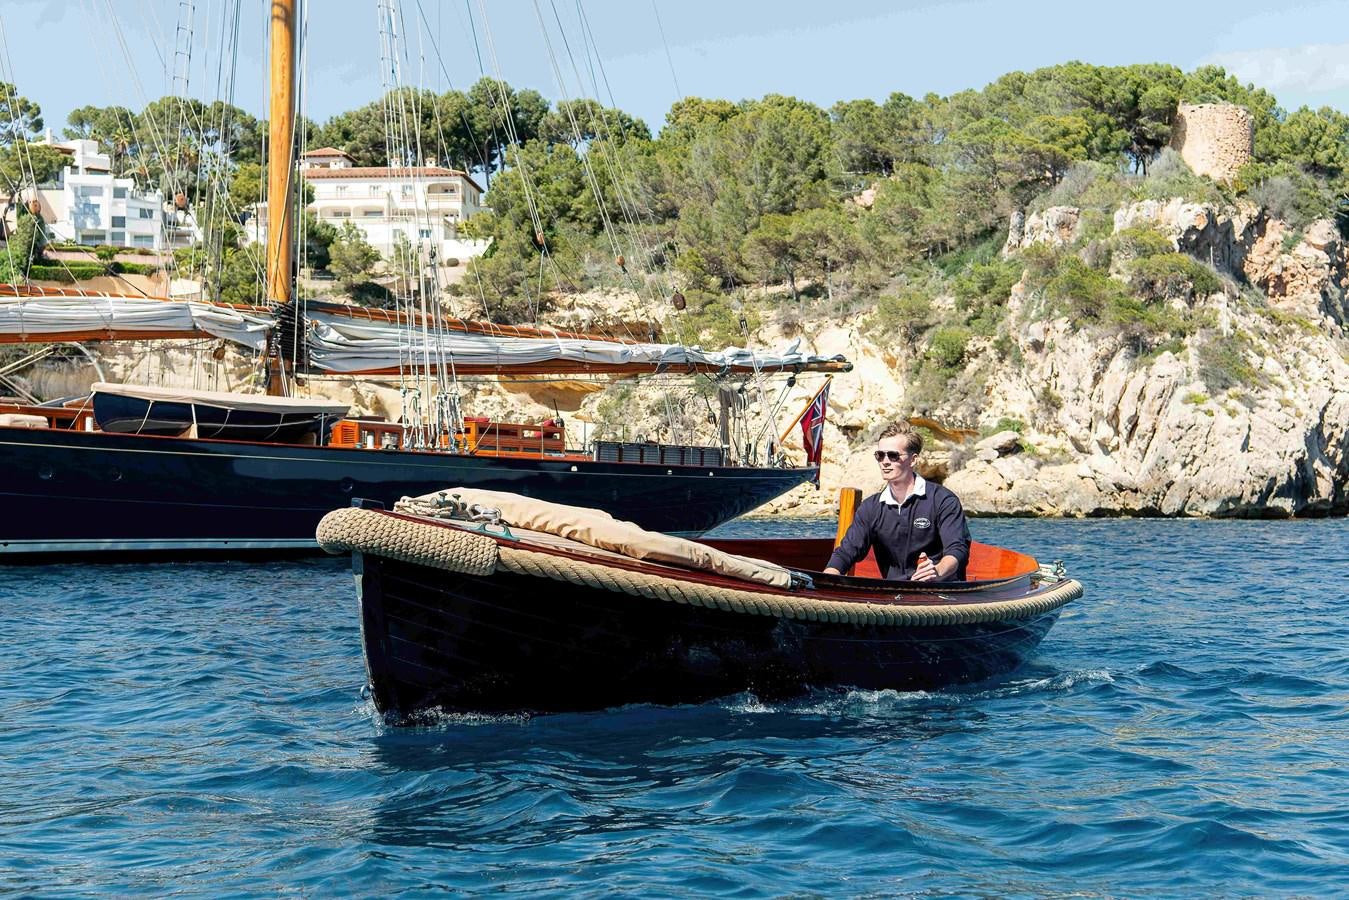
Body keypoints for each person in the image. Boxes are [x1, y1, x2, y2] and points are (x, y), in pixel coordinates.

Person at [823, 422, 969, 581]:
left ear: (913, 460)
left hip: (941, 593)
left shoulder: (943, 500)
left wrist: (937, 571)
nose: (885, 461)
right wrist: (827, 579)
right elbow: (846, 552)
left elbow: (957, 549)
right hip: (895, 595)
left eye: (893, 455)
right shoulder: (871, 508)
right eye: (880, 455)